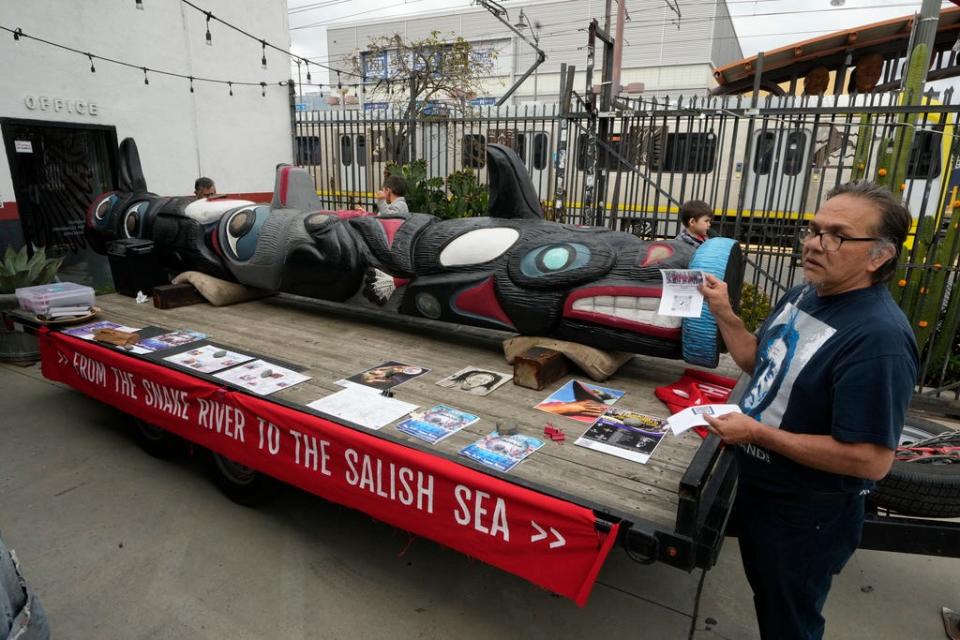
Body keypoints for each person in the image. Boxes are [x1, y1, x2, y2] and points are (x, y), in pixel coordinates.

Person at [697, 181, 918, 640]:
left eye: (837, 235)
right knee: (769, 596)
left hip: (806, 514)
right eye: (814, 229)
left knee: (790, 619)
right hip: (761, 489)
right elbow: (759, 362)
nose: (816, 243)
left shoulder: (879, 339)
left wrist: (758, 434)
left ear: (879, 256)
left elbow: (871, 461)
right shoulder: (805, 294)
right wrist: (724, 312)